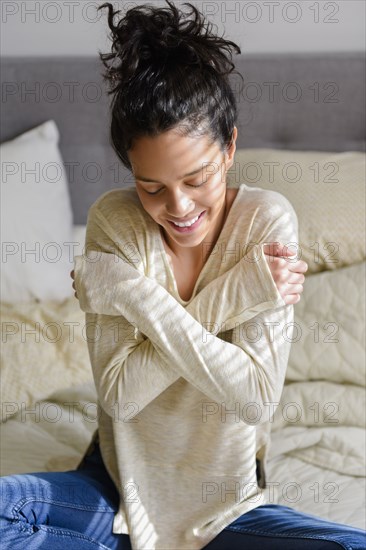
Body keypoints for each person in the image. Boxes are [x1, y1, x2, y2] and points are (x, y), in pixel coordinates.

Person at [0, 1, 365, 549]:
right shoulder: (113, 223)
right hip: (121, 485)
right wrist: (235, 294)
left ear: (231, 148)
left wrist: (130, 293)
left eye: (197, 178)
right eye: (152, 187)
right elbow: (122, 395)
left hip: (226, 499)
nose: (179, 207)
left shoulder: (266, 221)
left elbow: (255, 398)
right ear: (130, 171)